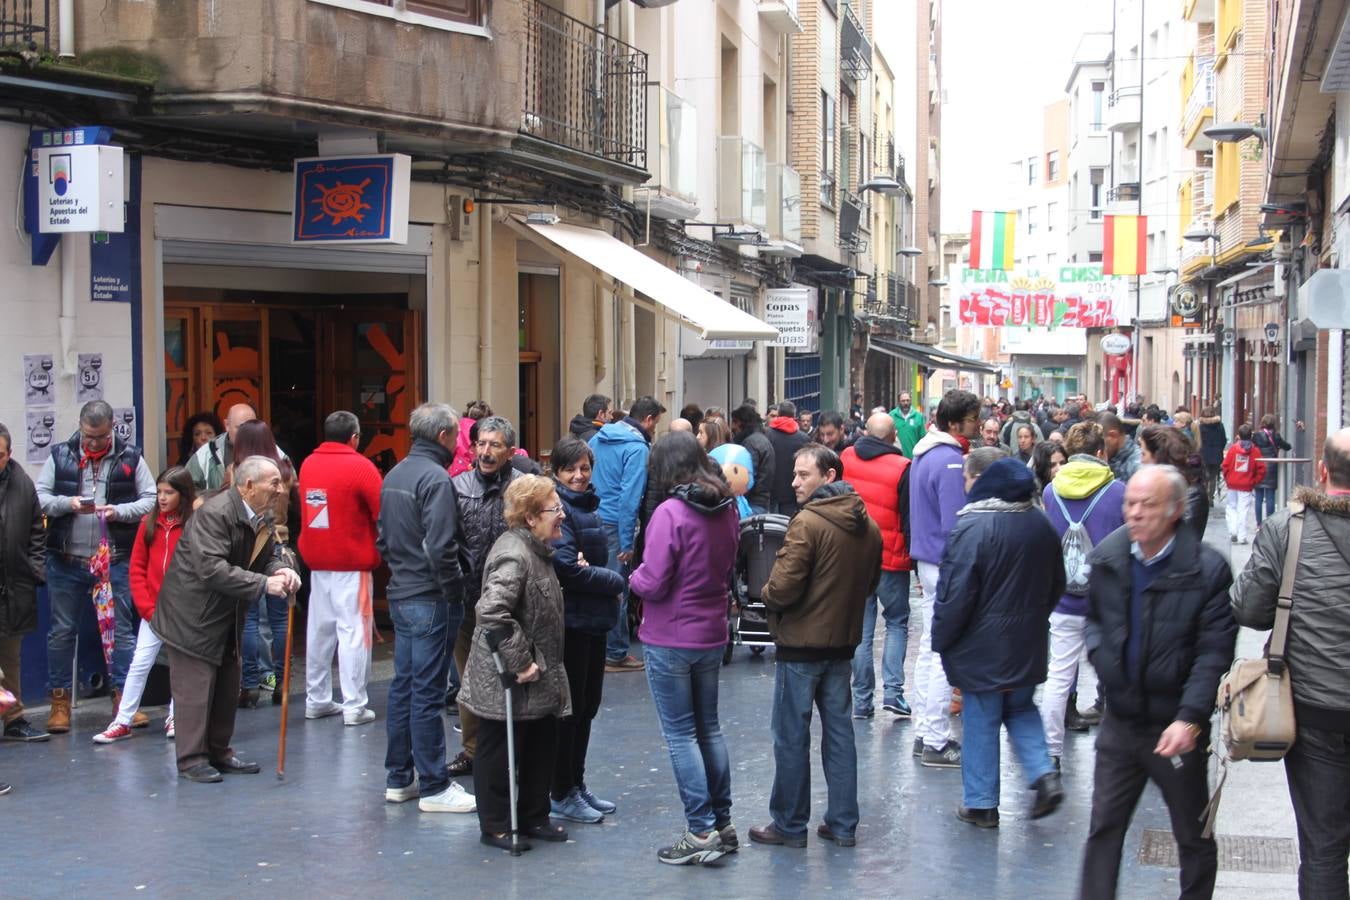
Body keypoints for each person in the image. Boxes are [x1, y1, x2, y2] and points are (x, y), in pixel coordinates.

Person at [1078, 465, 1237, 900]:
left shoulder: (1205, 570)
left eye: (1147, 505)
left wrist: (1189, 719)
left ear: (1175, 511)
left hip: (1175, 728)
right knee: (1104, 830)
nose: (1135, 513)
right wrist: (1104, 658)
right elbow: (1094, 622)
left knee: (1193, 835)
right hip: (1121, 722)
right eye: (1130, 503)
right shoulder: (1108, 559)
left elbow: (1213, 652)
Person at [1232, 428, 1350, 898]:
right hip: (1318, 707)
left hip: (1315, 709)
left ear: (1322, 471)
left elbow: (1250, 610)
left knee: (1323, 848)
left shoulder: (1288, 527)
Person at [751, 444, 882, 849]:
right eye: (794, 474)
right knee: (840, 735)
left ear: (828, 476)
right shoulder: (868, 525)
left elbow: (783, 586)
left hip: (802, 645)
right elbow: (870, 586)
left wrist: (767, 594)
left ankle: (790, 825)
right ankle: (842, 824)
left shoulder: (808, 523)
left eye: (803, 475)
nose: (794, 482)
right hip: (841, 645)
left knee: (791, 736)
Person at [934, 451, 1065, 828]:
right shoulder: (1039, 522)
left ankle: (981, 803)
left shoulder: (972, 526)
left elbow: (955, 593)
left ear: (980, 479)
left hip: (981, 644)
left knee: (982, 717)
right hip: (1028, 638)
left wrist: (943, 638)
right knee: (1021, 708)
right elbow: (1057, 582)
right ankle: (1043, 773)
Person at [151, 455, 300, 783]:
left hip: (224, 612)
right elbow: (211, 569)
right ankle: (192, 759)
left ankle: (219, 750)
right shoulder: (214, 513)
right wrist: (264, 583)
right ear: (248, 486)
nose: (280, 489)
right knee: (195, 688)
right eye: (273, 483)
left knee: (226, 684)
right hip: (192, 615)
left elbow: (267, 557)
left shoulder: (261, 516)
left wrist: (283, 570)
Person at [628, 432, 740, 865]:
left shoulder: (670, 513)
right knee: (708, 728)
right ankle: (722, 822)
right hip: (711, 631)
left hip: (671, 635)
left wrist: (631, 578)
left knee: (680, 734)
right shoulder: (727, 507)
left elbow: (652, 581)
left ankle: (700, 830)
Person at [459, 475, 573, 851]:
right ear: (530, 518)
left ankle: (533, 815)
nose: (562, 515)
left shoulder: (537, 549)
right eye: (554, 509)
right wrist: (521, 661)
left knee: (541, 740)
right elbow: (491, 611)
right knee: (498, 745)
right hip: (507, 676)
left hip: (540, 674)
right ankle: (495, 825)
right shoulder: (515, 553)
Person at [36, 400, 156, 733]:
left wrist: (119, 512)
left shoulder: (131, 457)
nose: (93, 443)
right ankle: (59, 701)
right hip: (66, 559)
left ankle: (124, 701)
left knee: (120, 633)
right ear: (80, 426)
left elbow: (151, 498)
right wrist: (68, 504)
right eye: (89, 436)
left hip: (113, 560)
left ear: (111, 427)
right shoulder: (60, 455)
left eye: (100, 437)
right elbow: (40, 495)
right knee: (61, 632)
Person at [377, 403, 474, 812]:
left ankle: (400, 777)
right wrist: (453, 588)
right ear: (443, 437)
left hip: (403, 590)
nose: (458, 443)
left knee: (406, 687)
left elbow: (384, 539)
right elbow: (440, 546)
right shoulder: (435, 478)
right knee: (427, 691)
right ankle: (433, 785)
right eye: (455, 435)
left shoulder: (396, 474)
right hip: (429, 595)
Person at [547, 437, 627, 825]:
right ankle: (562, 790)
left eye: (584, 468)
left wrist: (591, 575)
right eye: (570, 469)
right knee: (571, 710)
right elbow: (568, 567)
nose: (579, 476)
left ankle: (575, 785)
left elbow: (581, 566)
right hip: (572, 624)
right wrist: (613, 581)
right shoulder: (561, 508)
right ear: (556, 472)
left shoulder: (587, 506)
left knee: (587, 707)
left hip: (591, 620)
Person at [1040, 423, 1125, 767]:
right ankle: (1118, 755)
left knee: (1058, 675)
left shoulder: (1050, 492)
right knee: (1116, 677)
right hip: (1107, 600)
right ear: (1101, 453)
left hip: (1063, 597)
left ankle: (1050, 753)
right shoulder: (1118, 491)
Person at [94, 466, 195, 743]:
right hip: (153, 611)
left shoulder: (194, 525)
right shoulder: (148, 524)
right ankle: (123, 720)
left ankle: (176, 715)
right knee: (140, 663)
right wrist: (146, 607)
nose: (161, 498)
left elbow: (198, 570)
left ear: (183, 495)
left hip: (182, 611)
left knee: (180, 665)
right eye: (159, 492)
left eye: (169, 492)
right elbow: (137, 568)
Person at [908, 389, 981, 768]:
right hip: (945, 561)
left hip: (928, 559)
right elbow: (958, 524)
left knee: (929, 649)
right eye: (972, 420)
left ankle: (925, 732)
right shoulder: (951, 461)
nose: (978, 425)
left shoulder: (923, 455)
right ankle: (935, 739)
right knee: (941, 651)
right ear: (955, 423)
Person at [449, 416, 525, 778]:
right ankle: (473, 749)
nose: (486, 451)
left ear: (510, 451)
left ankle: (515, 747)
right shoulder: (459, 485)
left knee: (515, 676)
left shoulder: (524, 488)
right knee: (469, 680)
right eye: (481, 443)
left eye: (495, 445)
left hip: (513, 602)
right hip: (468, 598)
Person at [298, 411, 383, 726]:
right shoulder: (361, 466)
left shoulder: (308, 463)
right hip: (352, 562)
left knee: (319, 632)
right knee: (354, 633)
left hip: (318, 560)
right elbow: (381, 510)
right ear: (354, 437)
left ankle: (317, 698)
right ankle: (354, 705)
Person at [841, 413, 912, 720]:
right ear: (893, 435)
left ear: (866, 432)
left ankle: (861, 699)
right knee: (896, 623)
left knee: (861, 629)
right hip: (890, 558)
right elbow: (908, 518)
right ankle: (893, 694)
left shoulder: (846, 457)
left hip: (854, 556)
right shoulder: (902, 468)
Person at [590, 396, 665, 673]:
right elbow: (629, 497)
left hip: (593, 517)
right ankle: (616, 652)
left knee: (595, 585)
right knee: (615, 588)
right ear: (648, 420)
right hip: (613, 523)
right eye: (656, 423)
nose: (655, 429)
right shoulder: (637, 448)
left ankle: (599, 647)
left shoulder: (599, 438)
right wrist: (626, 541)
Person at [233, 419, 296, 708]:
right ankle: (282, 684)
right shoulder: (285, 470)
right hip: (281, 544)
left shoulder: (238, 473)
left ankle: (249, 684)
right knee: (280, 619)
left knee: (248, 618)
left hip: (251, 546)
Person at [0, 422, 48, 743]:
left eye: (0, 455)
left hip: (14, 585)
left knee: (10, 657)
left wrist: (35, 569)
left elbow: (36, 530)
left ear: (9, 453)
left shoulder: (21, 482)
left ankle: (13, 719)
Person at [1139, 425, 1210, 543]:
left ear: (1158, 457)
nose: (1141, 460)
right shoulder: (1155, 485)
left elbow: (1184, 541)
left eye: (1143, 454)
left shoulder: (1192, 494)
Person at [187, 402, 272, 491]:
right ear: (227, 425)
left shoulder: (267, 447)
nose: (246, 433)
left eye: (251, 428)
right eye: (241, 427)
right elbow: (187, 489)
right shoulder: (208, 452)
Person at [1221, 424, 1266, 545]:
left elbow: (1225, 466)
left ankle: (1233, 531)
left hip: (1232, 484)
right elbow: (1262, 468)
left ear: (1238, 436)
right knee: (1243, 510)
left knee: (1232, 507)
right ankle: (1242, 536)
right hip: (1246, 485)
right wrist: (1254, 481)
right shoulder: (1255, 451)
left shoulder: (1233, 449)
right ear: (1251, 435)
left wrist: (1227, 478)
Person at [765, 400, 810, 516]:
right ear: (794, 417)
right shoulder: (804, 439)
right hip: (793, 493)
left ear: (778, 414)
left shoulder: (766, 434)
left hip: (770, 492)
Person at [730, 404, 775, 516]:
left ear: (740, 423)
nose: (732, 427)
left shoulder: (751, 444)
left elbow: (746, 477)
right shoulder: (762, 439)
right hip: (761, 502)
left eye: (734, 422)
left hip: (752, 504)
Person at [1252, 413, 1292, 525]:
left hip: (1259, 467)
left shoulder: (1256, 436)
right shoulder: (1276, 436)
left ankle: (1259, 523)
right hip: (1272, 467)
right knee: (1270, 496)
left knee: (1258, 497)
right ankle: (1270, 523)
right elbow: (1287, 447)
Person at [1197, 407, 1227, 503]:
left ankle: (1205, 496)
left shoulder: (1200, 427)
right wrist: (1219, 449)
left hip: (1203, 454)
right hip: (1216, 454)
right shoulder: (1220, 426)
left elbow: (1198, 441)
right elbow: (1223, 440)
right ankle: (1211, 497)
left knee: (1204, 476)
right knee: (1213, 477)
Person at [1100, 413, 1141, 484]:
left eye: (1100, 443)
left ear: (1113, 436)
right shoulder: (1109, 458)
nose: (1098, 450)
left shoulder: (1138, 465)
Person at [890, 392, 926, 458]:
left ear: (910, 401)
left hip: (913, 459)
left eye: (907, 400)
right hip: (896, 458)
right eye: (903, 401)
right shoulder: (891, 416)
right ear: (898, 402)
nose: (906, 403)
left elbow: (923, 439)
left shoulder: (918, 416)